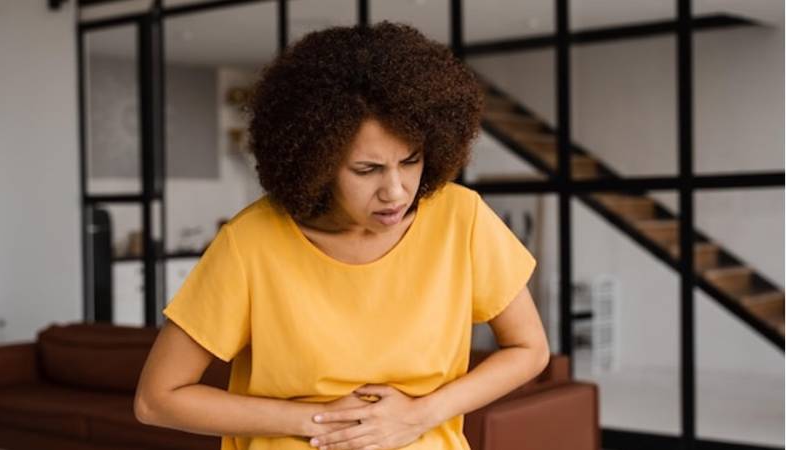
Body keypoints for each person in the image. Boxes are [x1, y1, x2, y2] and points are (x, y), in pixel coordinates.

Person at [134, 21, 550, 450]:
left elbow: (529, 349)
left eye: (410, 161)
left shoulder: (461, 219)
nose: (396, 190)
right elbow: (157, 399)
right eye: (366, 170)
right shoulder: (250, 243)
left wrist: (418, 416)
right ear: (317, 163)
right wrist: (321, 420)